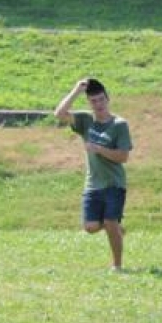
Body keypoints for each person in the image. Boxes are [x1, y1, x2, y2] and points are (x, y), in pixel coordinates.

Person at [54, 77, 134, 272]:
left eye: (101, 99)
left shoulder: (119, 124)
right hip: (93, 184)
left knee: (108, 220)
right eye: (93, 101)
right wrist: (76, 90)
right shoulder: (85, 120)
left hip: (114, 183)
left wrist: (99, 149)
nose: (98, 104)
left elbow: (123, 157)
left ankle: (117, 266)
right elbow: (59, 114)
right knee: (90, 227)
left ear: (108, 99)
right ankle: (115, 229)